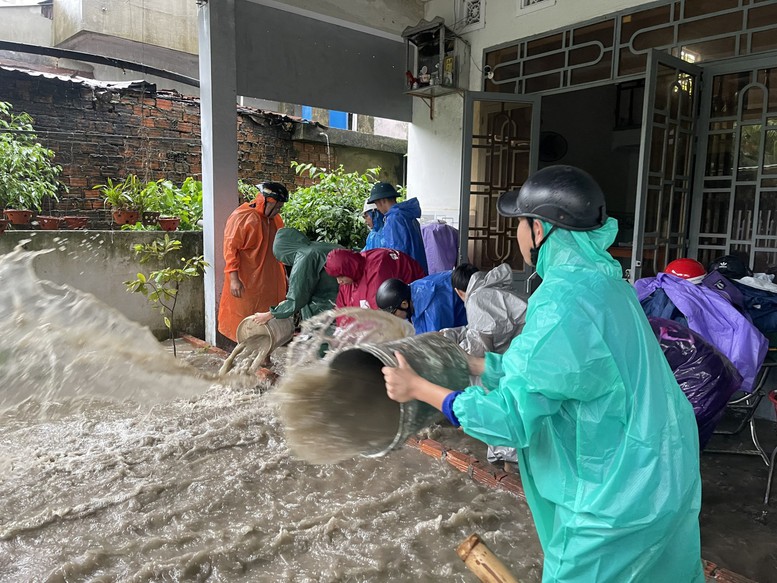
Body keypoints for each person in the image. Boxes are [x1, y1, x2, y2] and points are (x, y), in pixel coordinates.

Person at [382, 165, 705, 582]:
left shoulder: (561, 302)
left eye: (520, 223)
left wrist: (421, 388)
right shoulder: (606, 284)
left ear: (541, 230)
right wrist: (479, 365)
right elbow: (564, 373)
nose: (516, 233)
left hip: (615, 499)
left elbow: (508, 420)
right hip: (664, 471)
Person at [217, 181, 288, 343]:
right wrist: (234, 279)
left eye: (280, 208)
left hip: (270, 279)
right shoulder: (243, 217)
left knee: (268, 320)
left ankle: (265, 356)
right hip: (247, 279)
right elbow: (230, 249)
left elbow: (281, 248)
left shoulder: (275, 219)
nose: (278, 211)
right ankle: (244, 351)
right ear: (266, 201)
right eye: (276, 207)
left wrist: (284, 275)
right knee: (245, 317)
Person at [252, 228, 341, 325]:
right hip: (346, 297)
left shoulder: (304, 256)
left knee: (319, 334)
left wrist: (270, 314)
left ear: (285, 253)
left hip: (329, 304)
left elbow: (298, 297)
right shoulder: (320, 247)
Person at [441, 262, 527, 357]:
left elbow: (479, 350)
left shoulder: (476, 300)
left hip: (528, 340)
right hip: (533, 325)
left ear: (458, 291)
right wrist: (448, 335)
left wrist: (449, 354)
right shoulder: (491, 287)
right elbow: (478, 329)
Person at [324, 247, 426, 310]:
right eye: (336, 277)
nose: (339, 281)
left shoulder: (378, 270)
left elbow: (382, 313)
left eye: (341, 276)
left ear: (350, 269)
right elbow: (342, 308)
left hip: (417, 298)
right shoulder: (349, 277)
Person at [375, 273, 466, 335]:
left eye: (392, 314)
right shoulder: (413, 291)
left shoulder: (434, 309)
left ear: (404, 304)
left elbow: (438, 345)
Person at [367, 182, 428, 273]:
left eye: (377, 204)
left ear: (382, 201)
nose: (378, 209)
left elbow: (396, 254)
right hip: (418, 270)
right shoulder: (407, 215)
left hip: (407, 274)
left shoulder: (394, 219)